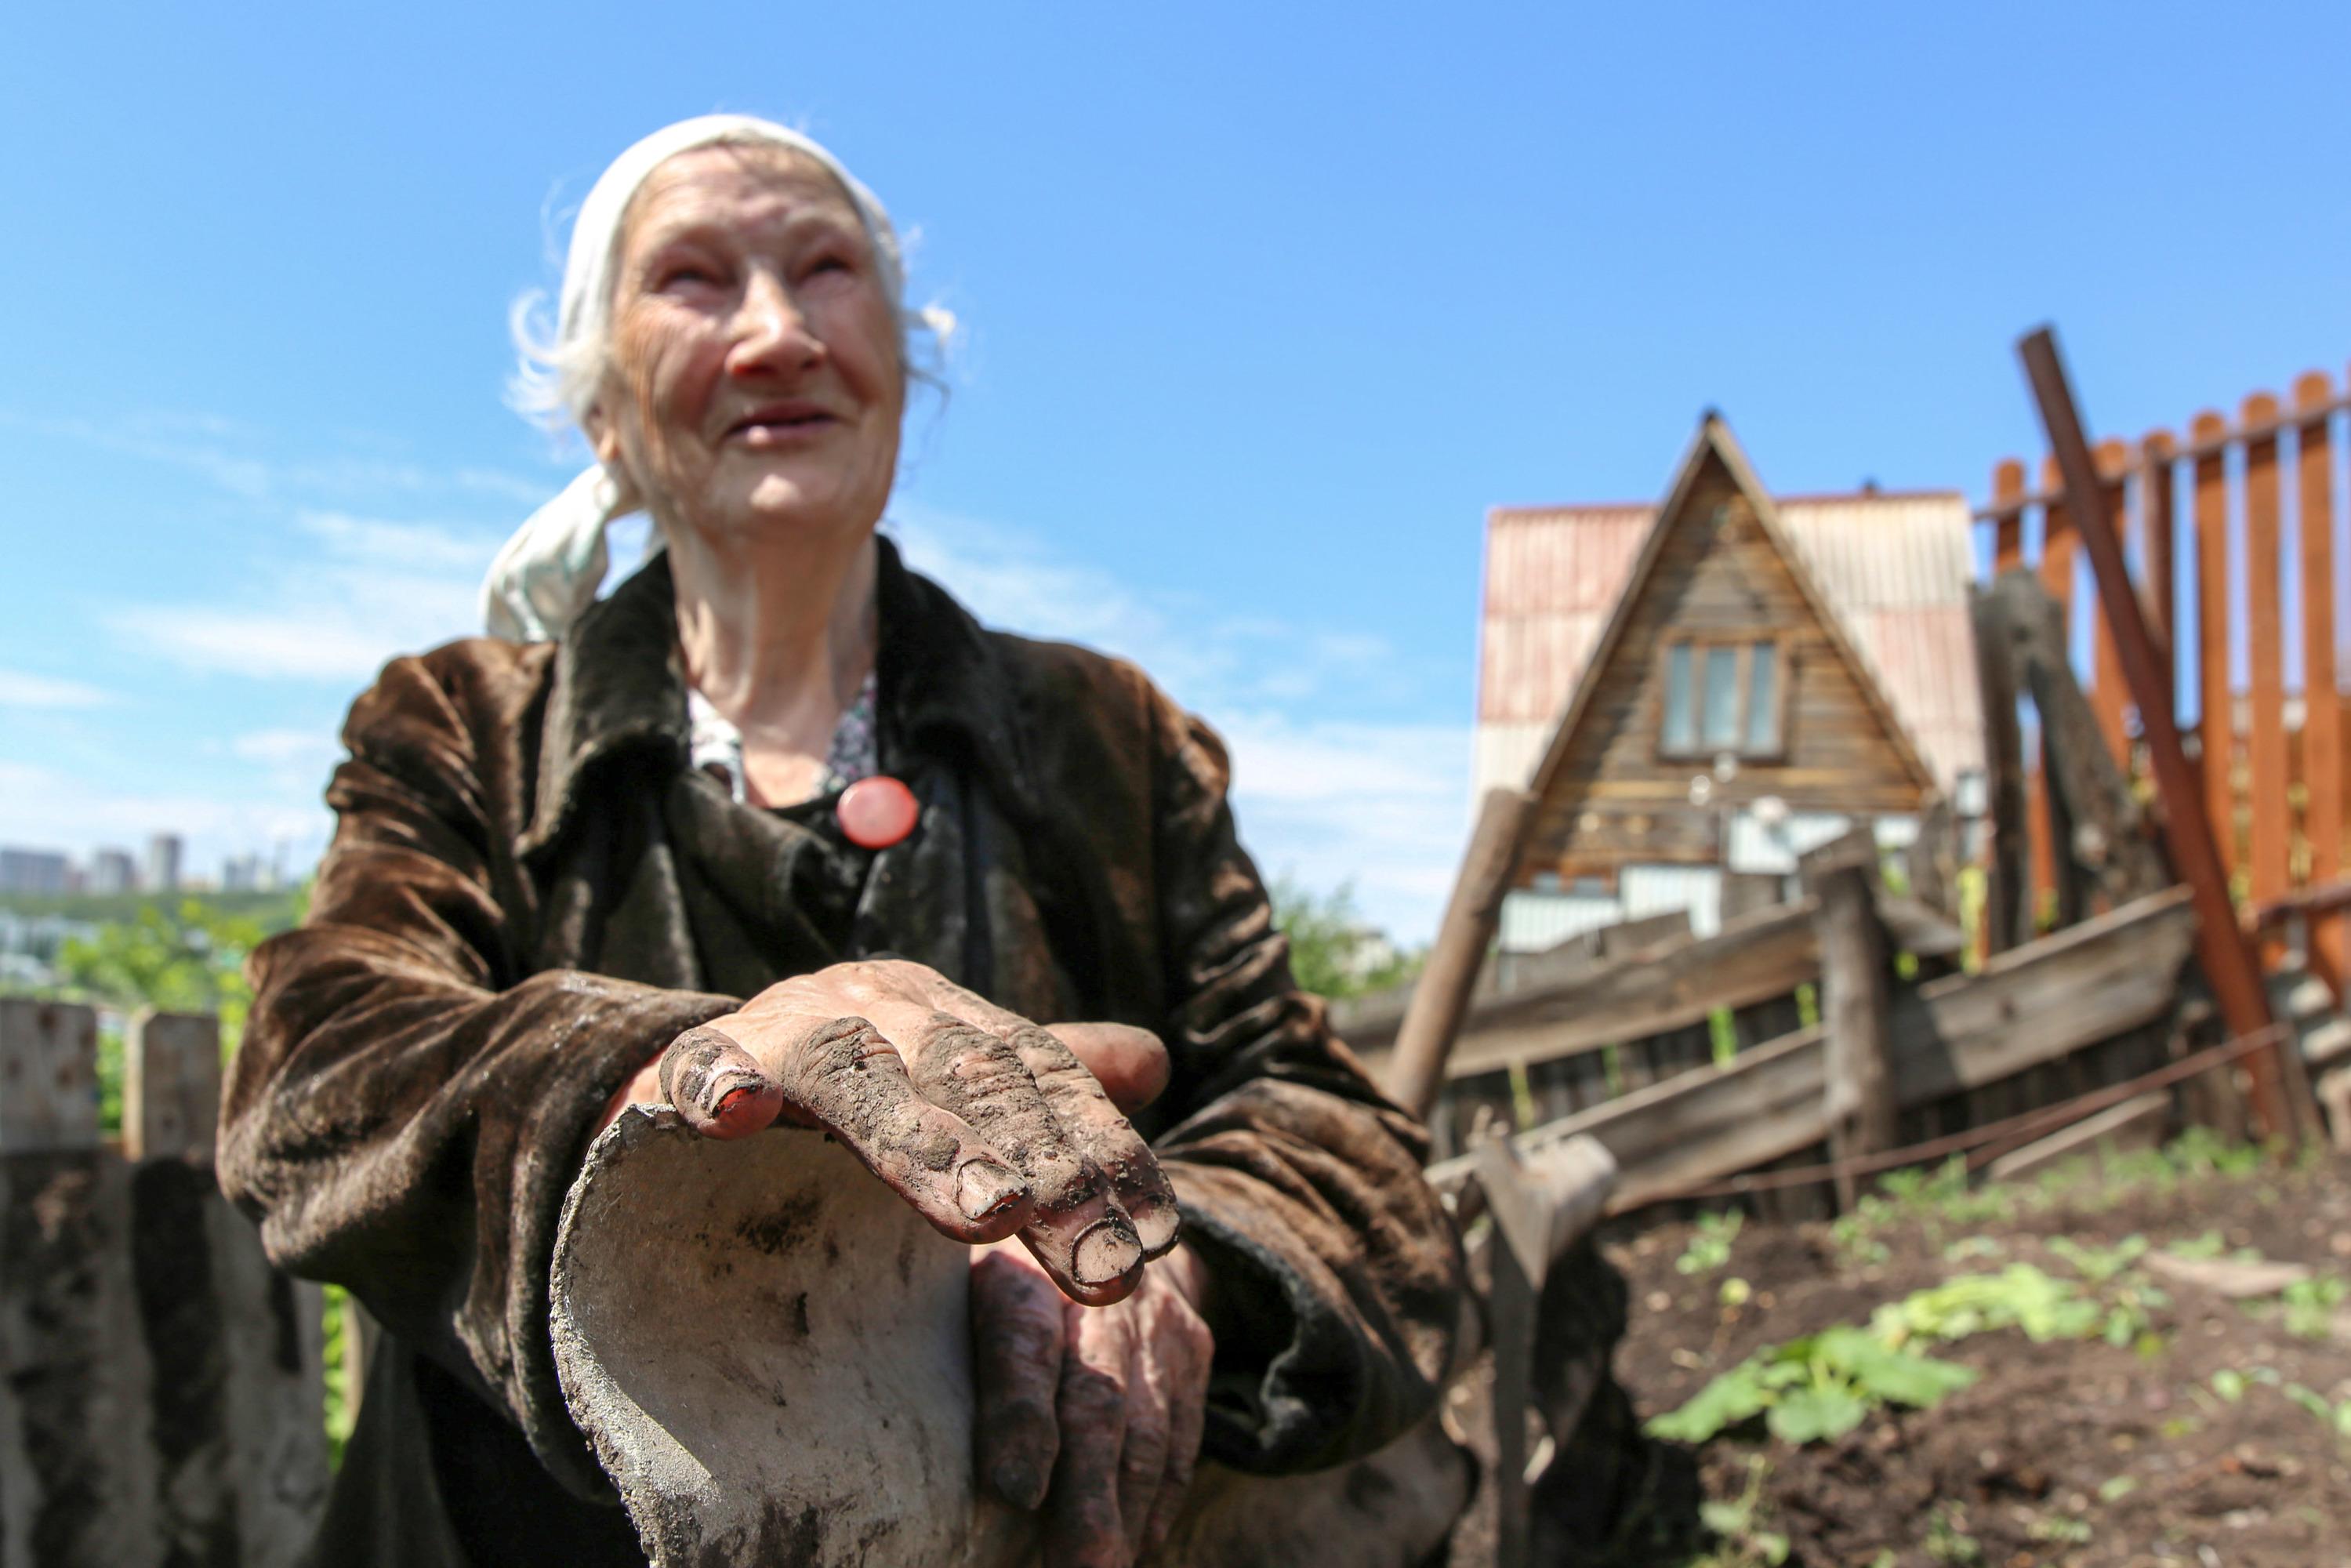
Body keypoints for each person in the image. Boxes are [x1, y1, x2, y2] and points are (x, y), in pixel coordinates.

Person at [219, 114, 1464, 1568]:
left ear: (902, 364)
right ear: (605, 411)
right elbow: (322, 1060)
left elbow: (1336, 1139)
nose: (774, 334)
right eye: (692, 279)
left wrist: (1157, 1274)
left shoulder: (1105, 740)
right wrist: (680, 1090)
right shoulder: (465, 729)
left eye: (825, 273)